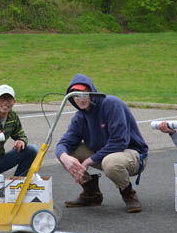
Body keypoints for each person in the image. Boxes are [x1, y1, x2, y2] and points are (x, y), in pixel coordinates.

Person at [55, 73, 148, 213]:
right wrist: (64, 157)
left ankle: (128, 194)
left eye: (84, 93)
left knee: (110, 163)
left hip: (131, 154)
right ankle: (91, 194)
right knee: (69, 154)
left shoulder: (111, 104)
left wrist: (87, 162)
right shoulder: (79, 117)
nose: (80, 99)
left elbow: (119, 142)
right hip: (103, 154)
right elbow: (64, 143)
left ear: (92, 92)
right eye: (75, 95)